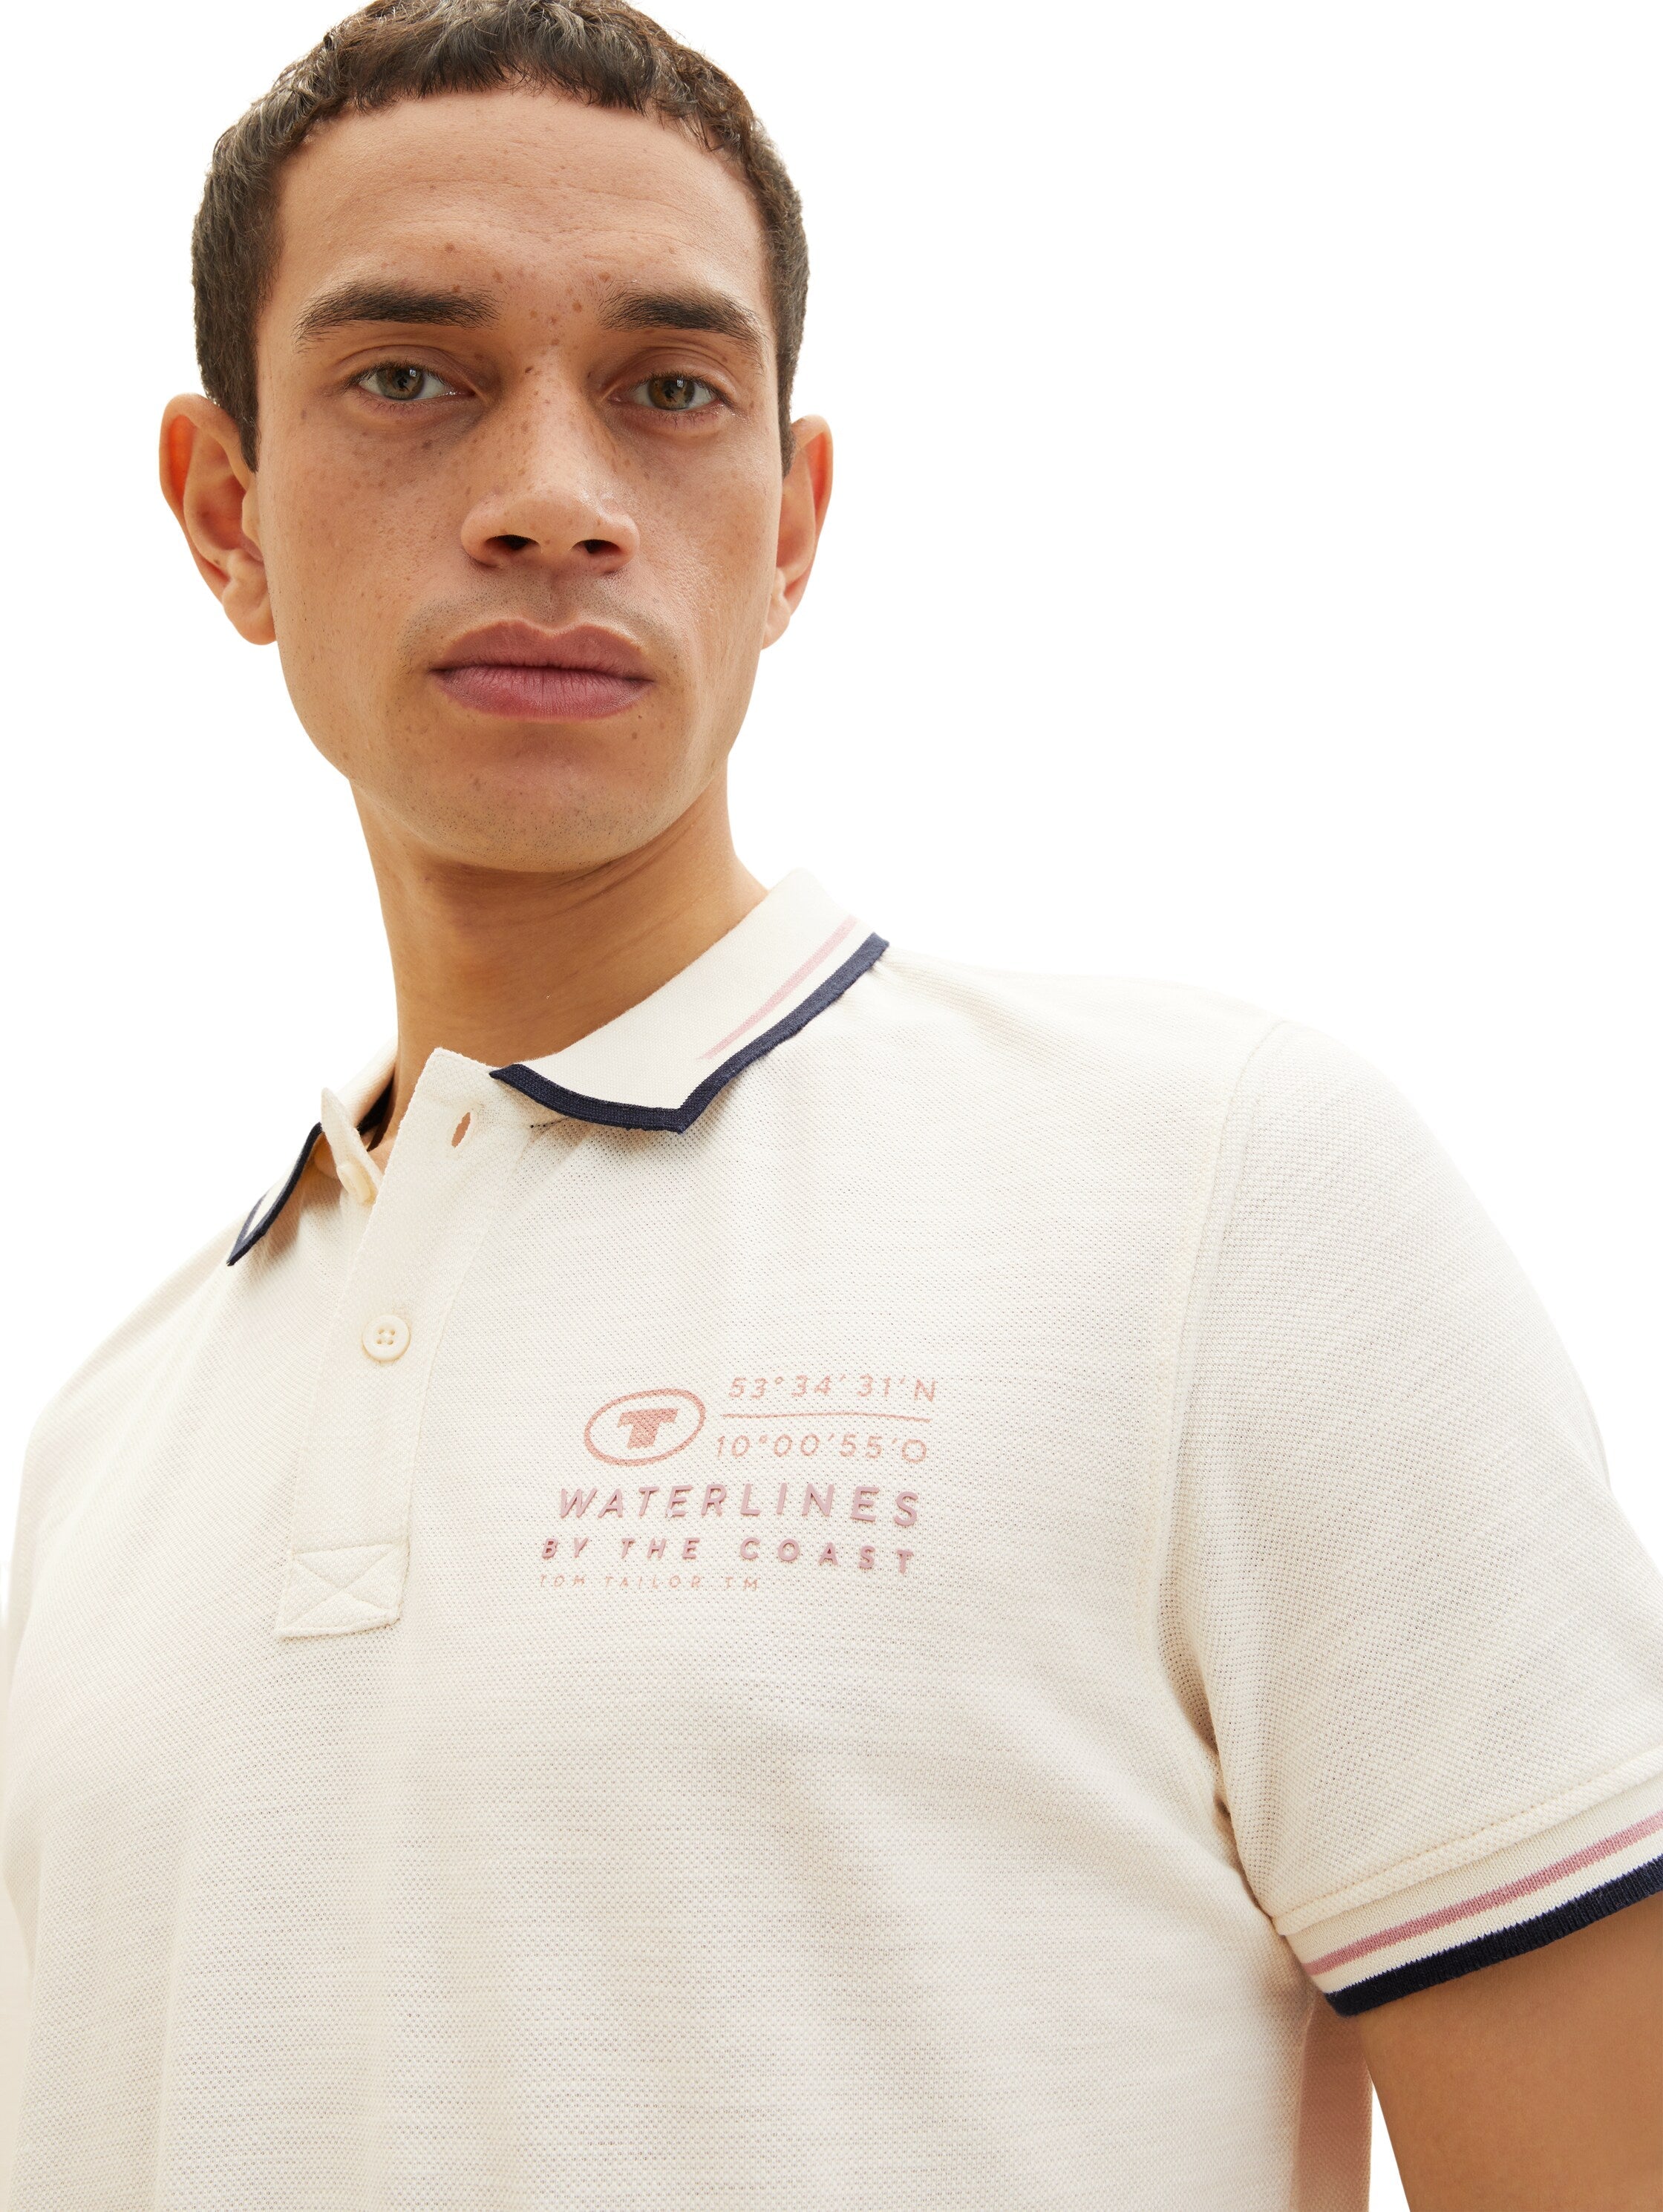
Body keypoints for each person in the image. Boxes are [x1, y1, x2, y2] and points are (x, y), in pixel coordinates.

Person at [2, 1, 1659, 2204]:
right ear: (227, 515)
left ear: (789, 526)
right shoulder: (105, 1449)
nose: (553, 500)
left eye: (669, 389)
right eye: (409, 377)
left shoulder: (1217, 1199)